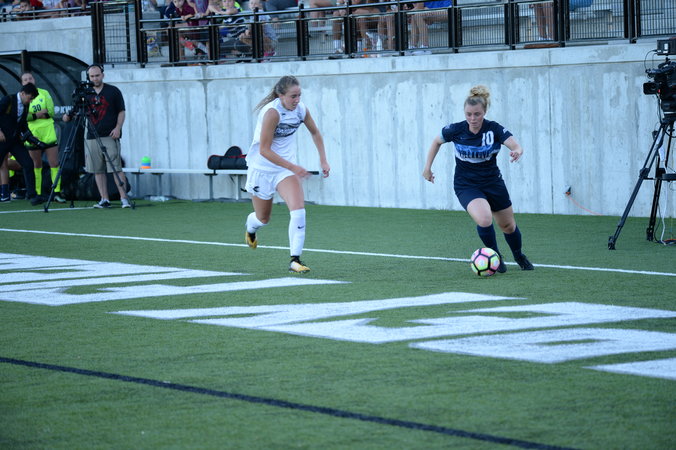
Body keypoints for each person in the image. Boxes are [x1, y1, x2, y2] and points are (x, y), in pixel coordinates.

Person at [422, 85, 534, 272]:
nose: (472, 119)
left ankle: (518, 255)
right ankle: (496, 258)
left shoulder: (494, 129)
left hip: (493, 183)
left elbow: (515, 145)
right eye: (468, 114)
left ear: (484, 112)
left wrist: (517, 151)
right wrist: (427, 168)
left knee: (507, 225)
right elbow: (436, 141)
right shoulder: (455, 130)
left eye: (477, 114)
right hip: (466, 185)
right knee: (484, 219)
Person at [244, 75, 330, 273]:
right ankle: (250, 227)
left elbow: (315, 133)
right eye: (293, 96)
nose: (297, 100)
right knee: (263, 218)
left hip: (284, 171)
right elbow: (264, 150)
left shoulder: (301, 110)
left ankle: (295, 260)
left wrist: (323, 160)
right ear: (281, 95)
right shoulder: (272, 113)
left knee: (299, 211)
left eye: (299, 95)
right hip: (262, 169)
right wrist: (294, 167)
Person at [62, 64, 131, 209]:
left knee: (116, 168)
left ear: (103, 75)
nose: (95, 78)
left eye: (97, 75)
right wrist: (68, 115)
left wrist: (118, 128)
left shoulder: (113, 91)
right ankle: (104, 199)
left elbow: (121, 111)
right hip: (91, 136)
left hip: (110, 135)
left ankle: (124, 198)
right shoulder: (85, 94)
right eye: (92, 76)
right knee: (97, 170)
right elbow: (71, 115)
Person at [21, 71, 65, 204]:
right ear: (22, 83)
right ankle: (37, 193)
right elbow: (25, 117)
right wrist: (39, 114)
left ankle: (56, 192)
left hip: (48, 132)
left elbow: (50, 112)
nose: (28, 81)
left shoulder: (44, 93)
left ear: (34, 80)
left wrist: (35, 115)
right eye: (25, 79)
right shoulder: (22, 97)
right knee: (36, 164)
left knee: (54, 163)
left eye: (30, 78)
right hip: (33, 133)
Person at [0, 83, 41, 205]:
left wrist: (32, 138)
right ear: (23, 93)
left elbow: (23, 125)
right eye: (30, 98)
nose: (31, 101)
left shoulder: (25, 105)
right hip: (2, 140)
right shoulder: (8, 99)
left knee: (28, 163)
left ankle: (32, 195)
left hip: (14, 141)